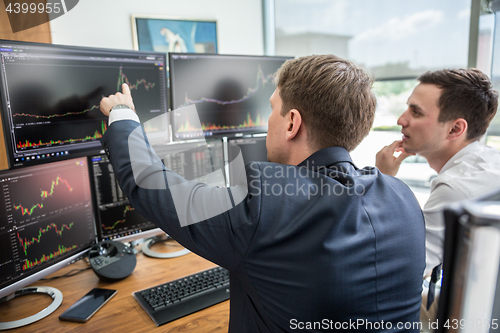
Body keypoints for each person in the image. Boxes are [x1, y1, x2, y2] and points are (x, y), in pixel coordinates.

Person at [100, 55, 425, 332]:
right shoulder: (402, 197)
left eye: (273, 109)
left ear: (291, 123)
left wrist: (123, 115)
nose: (267, 120)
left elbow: (151, 185)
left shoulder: (268, 206)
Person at [376, 68, 500, 329]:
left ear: (456, 128)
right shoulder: (489, 161)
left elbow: (404, 268)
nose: (401, 120)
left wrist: (383, 181)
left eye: (416, 112)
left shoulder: (455, 189)